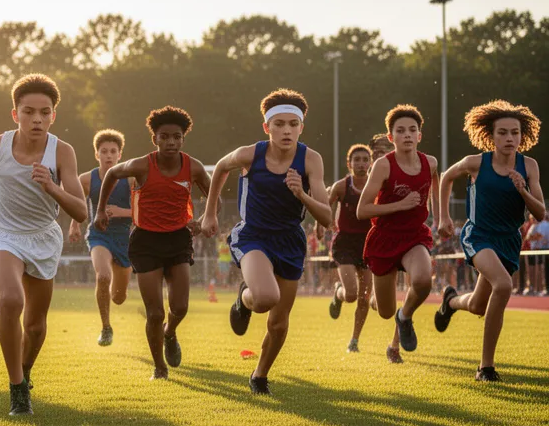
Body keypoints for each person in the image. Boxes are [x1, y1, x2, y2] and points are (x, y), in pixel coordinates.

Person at [0, 73, 87, 415]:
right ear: (15, 114)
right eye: (28, 111)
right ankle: (17, 388)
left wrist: (52, 188)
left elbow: (80, 210)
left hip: (42, 236)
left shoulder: (61, 152)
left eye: (44, 112)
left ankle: (26, 370)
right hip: (2, 233)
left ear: (54, 115)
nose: (36, 119)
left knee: (34, 328)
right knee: (11, 300)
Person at [204, 89, 332, 394]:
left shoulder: (310, 159)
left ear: (301, 127)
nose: (286, 130)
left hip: (290, 240)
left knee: (278, 322)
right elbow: (221, 167)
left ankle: (259, 375)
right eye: (278, 124)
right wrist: (210, 213)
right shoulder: (251, 154)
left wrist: (301, 194)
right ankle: (244, 299)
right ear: (267, 127)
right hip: (253, 235)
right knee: (264, 298)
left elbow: (327, 216)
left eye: (292, 124)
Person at [94, 108, 212, 379]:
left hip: (179, 239)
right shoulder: (142, 165)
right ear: (155, 138)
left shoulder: (192, 166)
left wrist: (207, 217)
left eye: (177, 137)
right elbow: (111, 174)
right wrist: (101, 210)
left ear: (183, 139)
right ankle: (159, 367)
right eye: (165, 137)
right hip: (146, 241)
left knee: (179, 307)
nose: (171, 142)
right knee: (155, 312)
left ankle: (170, 334)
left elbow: (212, 191)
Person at [434, 100, 544, 381]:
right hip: (478, 235)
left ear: (523, 135)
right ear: (491, 136)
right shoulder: (476, 163)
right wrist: (443, 217)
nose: (509, 138)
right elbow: (446, 177)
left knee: (477, 306)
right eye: (503, 132)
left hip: (509, 240)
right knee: (504, 285)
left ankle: (451, 301)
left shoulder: (528, 166)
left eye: (515, 133)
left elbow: (540, 212)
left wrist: (523, 191)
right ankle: (486, 367)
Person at [357, 105, 440, 365]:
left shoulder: (431, 162)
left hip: (414, 235)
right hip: (385, 237)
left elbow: (437, 180)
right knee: (384, 311)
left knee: (423, 281)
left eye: (412, 130)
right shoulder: (383, 165)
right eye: (400, 131)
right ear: (391, 137)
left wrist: (442, 215)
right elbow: (362, 210)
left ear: (419, 135)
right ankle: (383, 305)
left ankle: (405, 317)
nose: (407, 135)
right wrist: (400, 205)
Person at [69, 129, 134, 347]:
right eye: (104, 151)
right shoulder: (86, 179)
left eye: (113, 151)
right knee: (103, 276)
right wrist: (74, 225)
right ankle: (106, 327)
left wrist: (120, 211)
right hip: (99, 235)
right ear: (97, 154)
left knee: (119, 298)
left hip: (125, 239)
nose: (108, 155)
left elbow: (142, 211)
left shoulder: (131, 179)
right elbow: (77, 204)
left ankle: (116, 292)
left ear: (120, 155)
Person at [321, 144, 374, 353]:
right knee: (351, 294)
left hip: (369, 243)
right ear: (349, 163)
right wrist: (322, 226)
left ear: (370, 163)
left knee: (364, 297)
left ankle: (354, 340)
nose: (361, 164)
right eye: (357, 160)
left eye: (365, 159)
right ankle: (338, 292)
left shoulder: (376, 184)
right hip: (345, 243)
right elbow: (327, 205)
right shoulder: (342, 186)